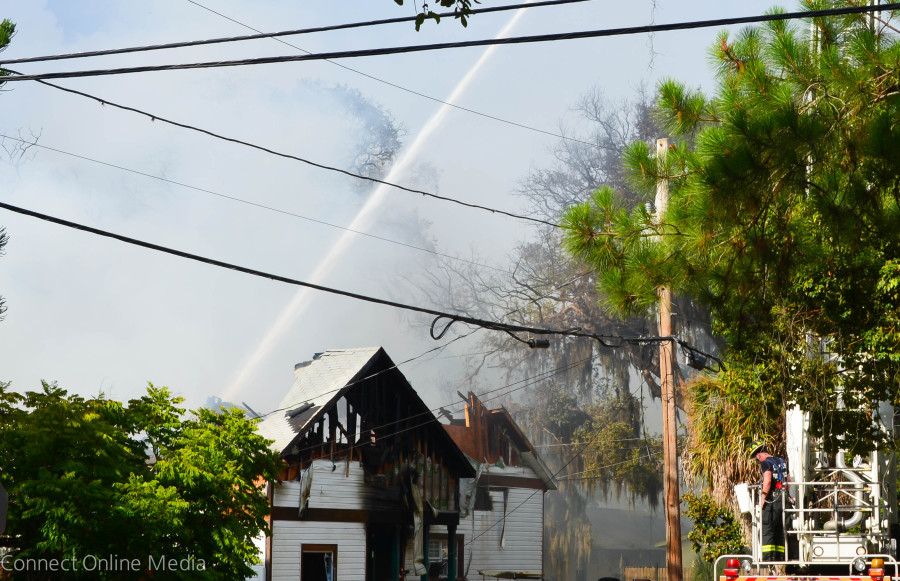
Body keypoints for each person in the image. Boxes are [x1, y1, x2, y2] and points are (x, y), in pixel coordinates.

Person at [750, 441, 791, 562]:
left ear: (758, 455)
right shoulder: (782, 461)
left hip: (773, 501)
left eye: (756, 459)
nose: (758, 461)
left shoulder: (765, 463)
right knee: (780, 528)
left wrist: (762, 499)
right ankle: (781, 557)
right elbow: (788, 481)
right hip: (784, 499)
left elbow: (767, 481)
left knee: (767, 528)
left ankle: (768, 558)